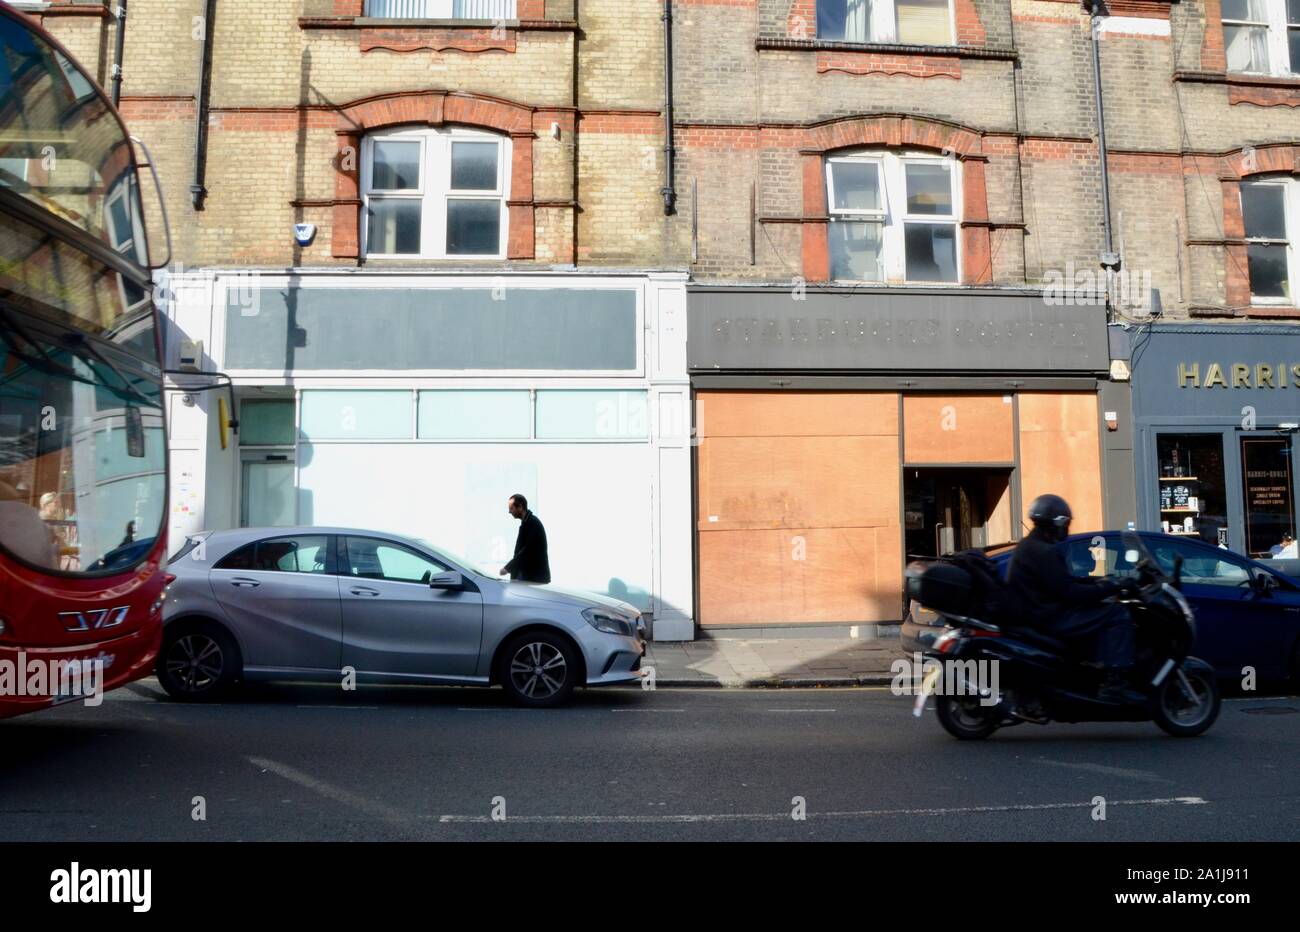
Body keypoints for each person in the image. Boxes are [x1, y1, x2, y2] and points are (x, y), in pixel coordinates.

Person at [1006, 493, 1137, 702]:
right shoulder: (1044, 552)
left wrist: (1096, 582)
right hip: (1050, 617)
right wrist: (1112, 587)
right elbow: (1070, 593)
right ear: (1056, 523)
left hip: (1038, 613)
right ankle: (1114, 682)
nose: (1067, 528)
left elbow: (1060, 582)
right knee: (1117, 614)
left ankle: (1091, 667)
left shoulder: (1029, 546)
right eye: (1066, 523)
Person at [498, 493, 550, 584]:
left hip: (533, 578)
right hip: (530, 576)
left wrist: (508, 568)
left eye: (511, 508)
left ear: (520, 507)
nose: (509, 512)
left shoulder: (532, 523)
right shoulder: (527, 523)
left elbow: (527, 551)